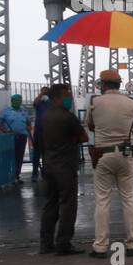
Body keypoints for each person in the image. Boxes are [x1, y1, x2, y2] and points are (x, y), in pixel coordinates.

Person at [86, 68, 133, 258]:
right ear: (119, 84)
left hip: (103, 155)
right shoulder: (131, 102)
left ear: (103, 84)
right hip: (126, 155)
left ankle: (100, 247)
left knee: (102, 200)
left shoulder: (95, 101)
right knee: (128, 199)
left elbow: (90, 125)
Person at [38, 83, 88, 255]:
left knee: (50, 204)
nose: (70, 99)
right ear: (58, 97)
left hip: (49, 165)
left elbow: (39, 140)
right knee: (67, 205)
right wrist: (71, 139)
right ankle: (63, 243)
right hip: (65, 166)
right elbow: (84, 137)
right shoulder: (68, 117)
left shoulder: (44, 116)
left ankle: (45, 244)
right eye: (68, 96)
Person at [0, 93, 33, 183]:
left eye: (19, 100)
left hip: (22, 137)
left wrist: (29, 128)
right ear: (12, 101)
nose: (17, 102)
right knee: (9, 157)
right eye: (15, 100)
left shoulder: (24, 112)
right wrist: (6, 132)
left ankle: (16, 176)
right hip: (9, 138)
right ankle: (7, 176)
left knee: (19, 157)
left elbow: (29, 123)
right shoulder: (5, 111)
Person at [30, 86, 50, 182]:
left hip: (48, 132)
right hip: (38, 131)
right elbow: (34, 103)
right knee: (36, 154)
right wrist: (41, 94)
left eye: (46, 92)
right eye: (42, 92)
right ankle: (35, 173)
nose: (44, 93)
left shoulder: (51, 102)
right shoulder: (39, 103)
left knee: (46, 154)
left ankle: (45, 172)